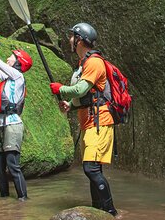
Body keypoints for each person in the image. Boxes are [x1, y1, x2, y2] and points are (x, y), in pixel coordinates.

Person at [49, 22, 118, 216]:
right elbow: (86, 97)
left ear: (80, 40)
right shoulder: (83, 64)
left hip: (100, 122)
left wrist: (60, 89)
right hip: (88, 122)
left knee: (91, 169)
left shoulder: (95, 62)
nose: (69, 40)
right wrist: (70, 105)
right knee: (93, 170)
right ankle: (97, 210)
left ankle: (112, 212)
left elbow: (80, 89)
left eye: (72, 36)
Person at [0, 36, 32, 201]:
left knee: (13, 165)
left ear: (18, 62)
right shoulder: (7, 79)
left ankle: (23, 199)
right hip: (0, 124)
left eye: (12, 57)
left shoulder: (18, 77)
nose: (8, 58)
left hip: (13, 125)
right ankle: (4, 200)